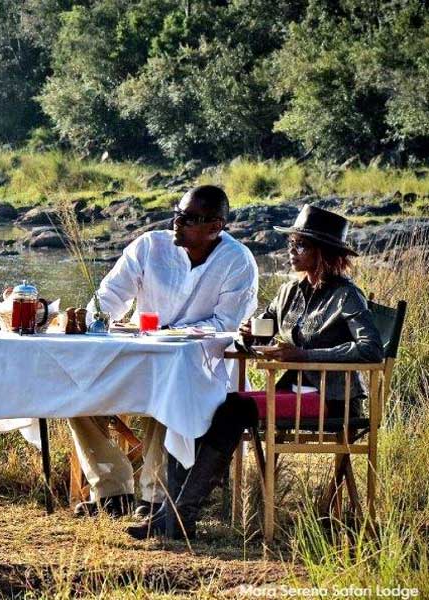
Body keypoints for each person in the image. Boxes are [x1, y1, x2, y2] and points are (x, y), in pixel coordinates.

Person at [128, 204, 384, 540]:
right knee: (200, 406)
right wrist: (250, 335)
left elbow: (372, 350)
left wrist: (305, 355)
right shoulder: (290, 291)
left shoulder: (346, 295)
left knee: (234, 409)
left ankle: (178, 517)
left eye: (301, 246)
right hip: (293, 393)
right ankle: (173, 515)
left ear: (324, 253)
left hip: (333, 401)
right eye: (291, 244)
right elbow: (263, 329)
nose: (291, 252)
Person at [69, 185, 259, 518]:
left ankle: (154, 497)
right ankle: (113, 491)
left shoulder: (238, 261)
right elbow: (110, 297)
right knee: (74, 388)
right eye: (177, 214)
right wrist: (90, 320)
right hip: (137, 355)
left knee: (168, 386)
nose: (177, 223)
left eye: (188, 219)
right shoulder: (148, 247)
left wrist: (170, 336)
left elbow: (227, 324)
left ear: (215, 227)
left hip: (201, 366)